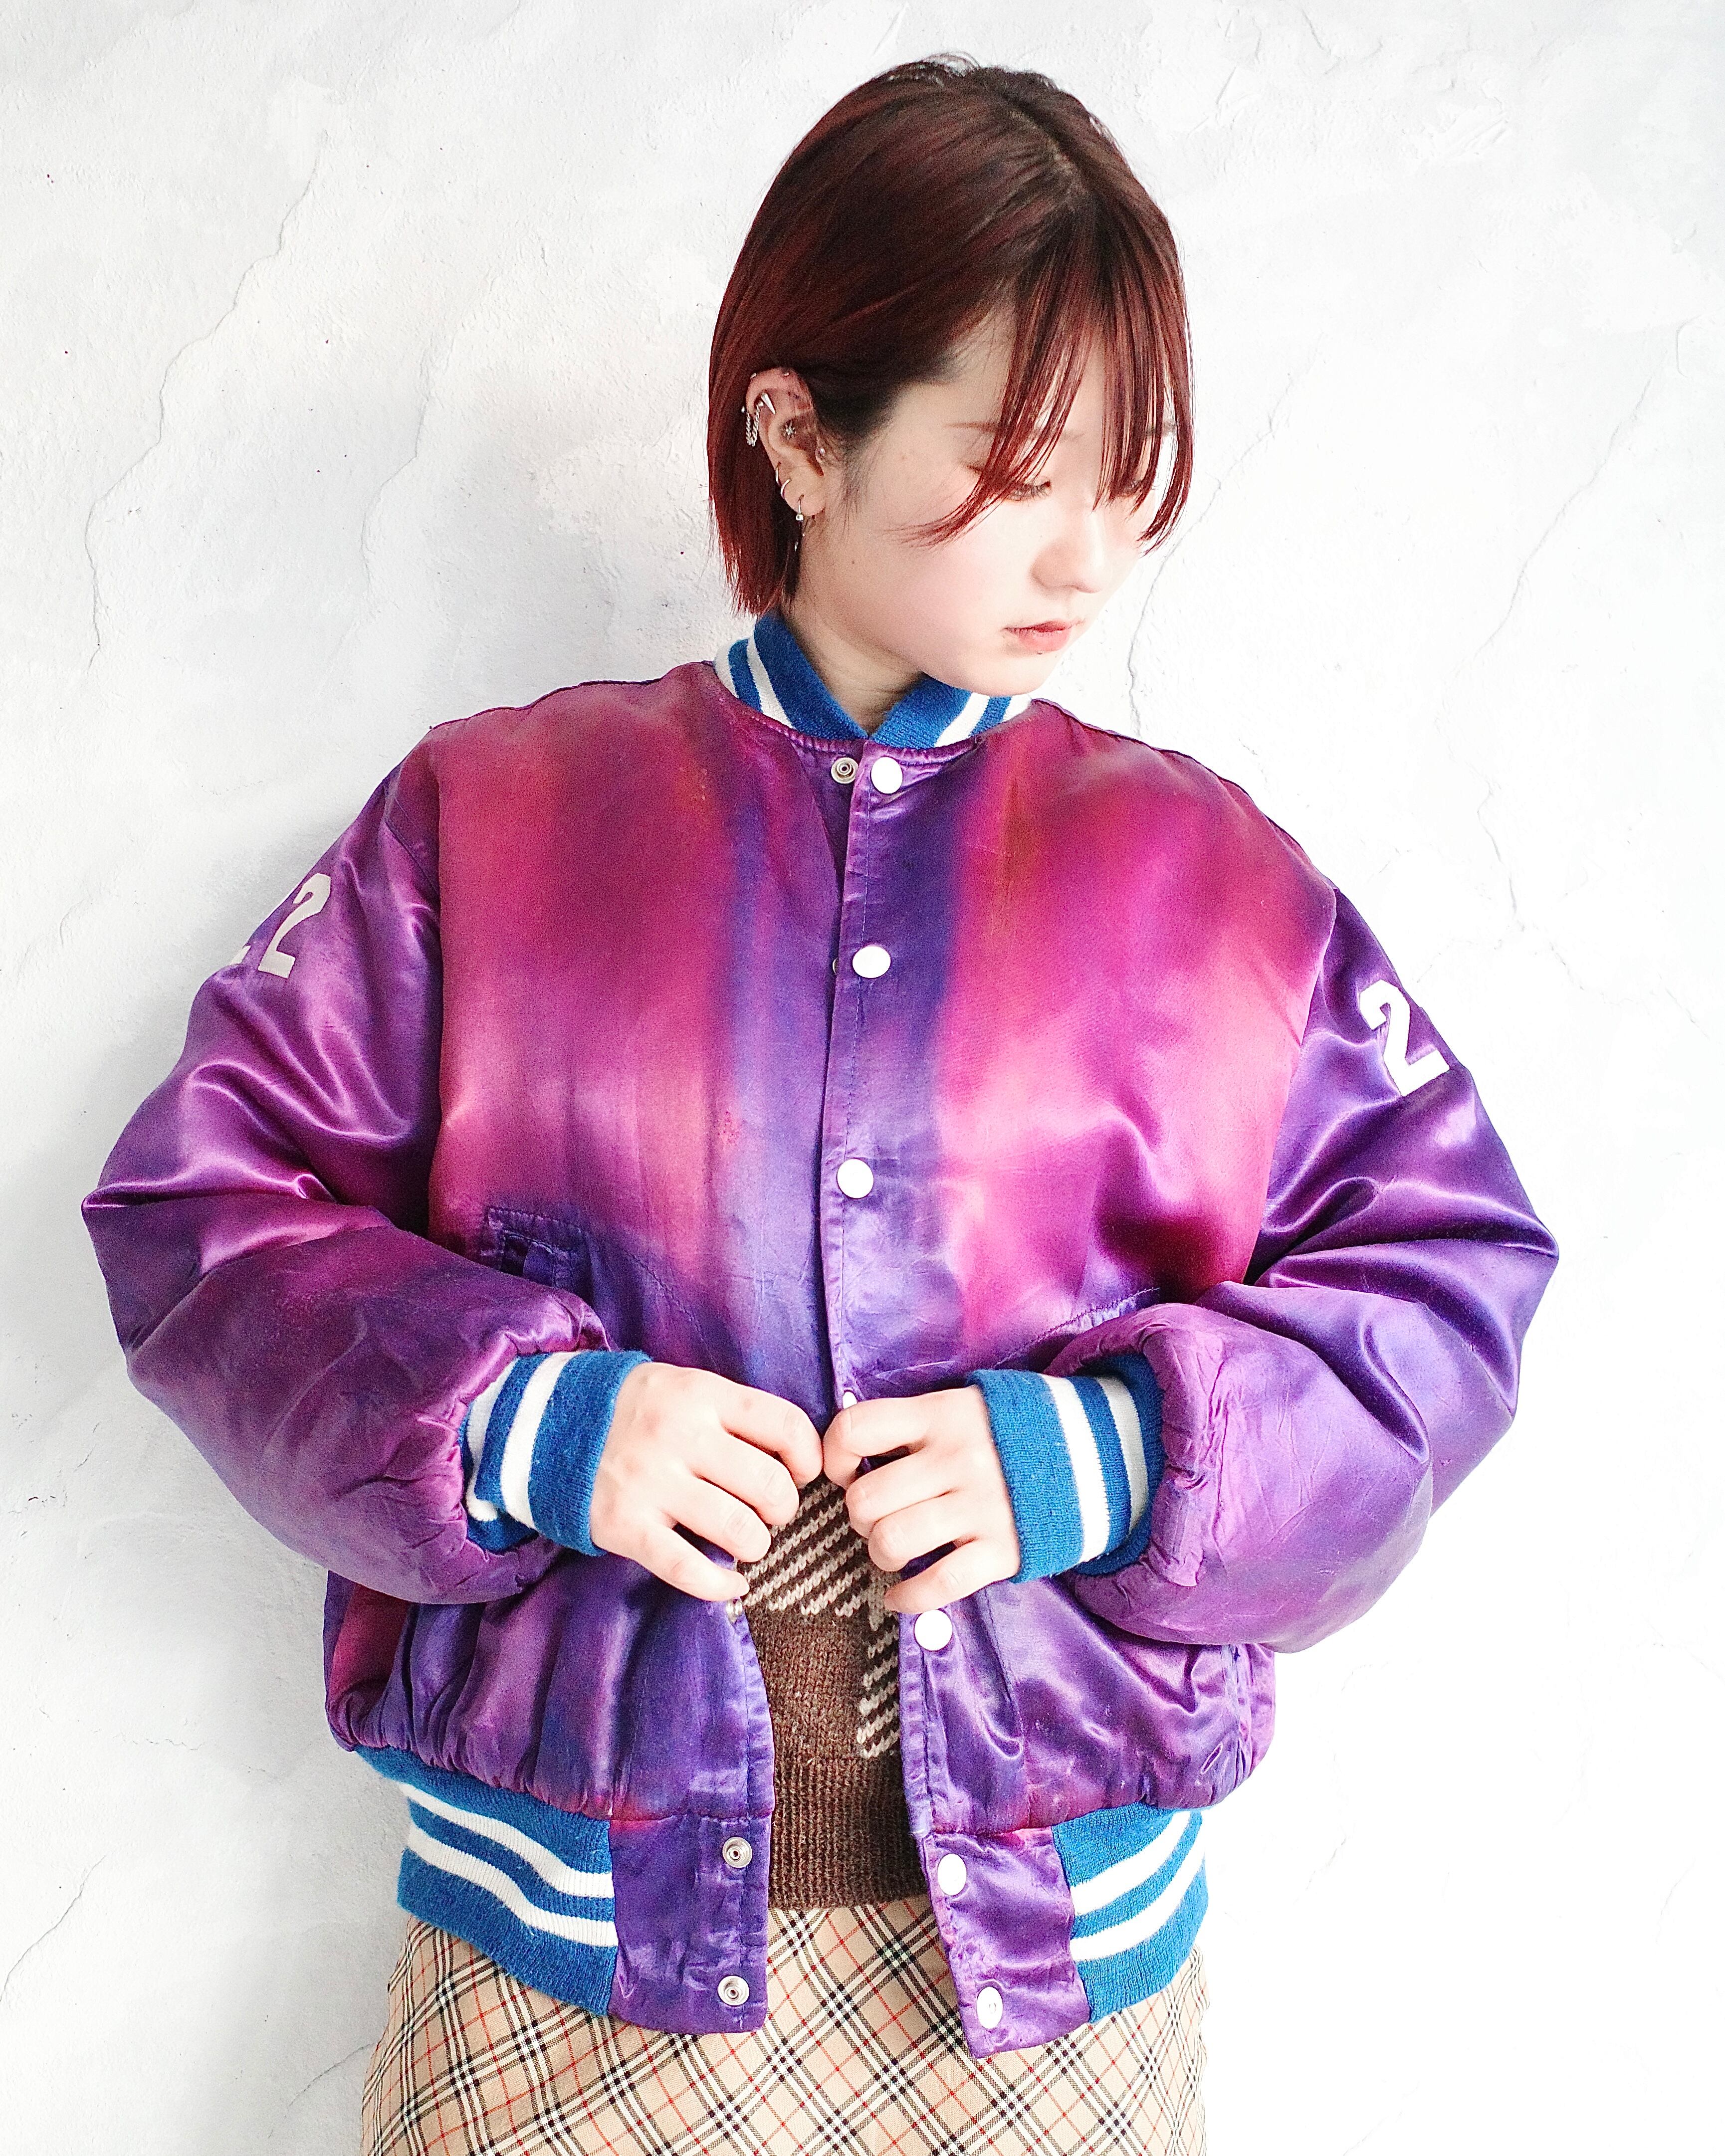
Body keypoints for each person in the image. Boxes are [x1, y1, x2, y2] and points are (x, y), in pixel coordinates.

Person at [82, 56, 1557, 2156]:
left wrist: (1120, 1452)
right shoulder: (489, 824)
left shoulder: (1218, 891)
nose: (1089, 554)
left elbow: (1450, 1279)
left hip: (1047, 1997)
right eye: (1023, 470)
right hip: (565, 1963)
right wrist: (524, 1419)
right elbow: (199, 1211)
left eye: (1133, 477)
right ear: (796, 432)